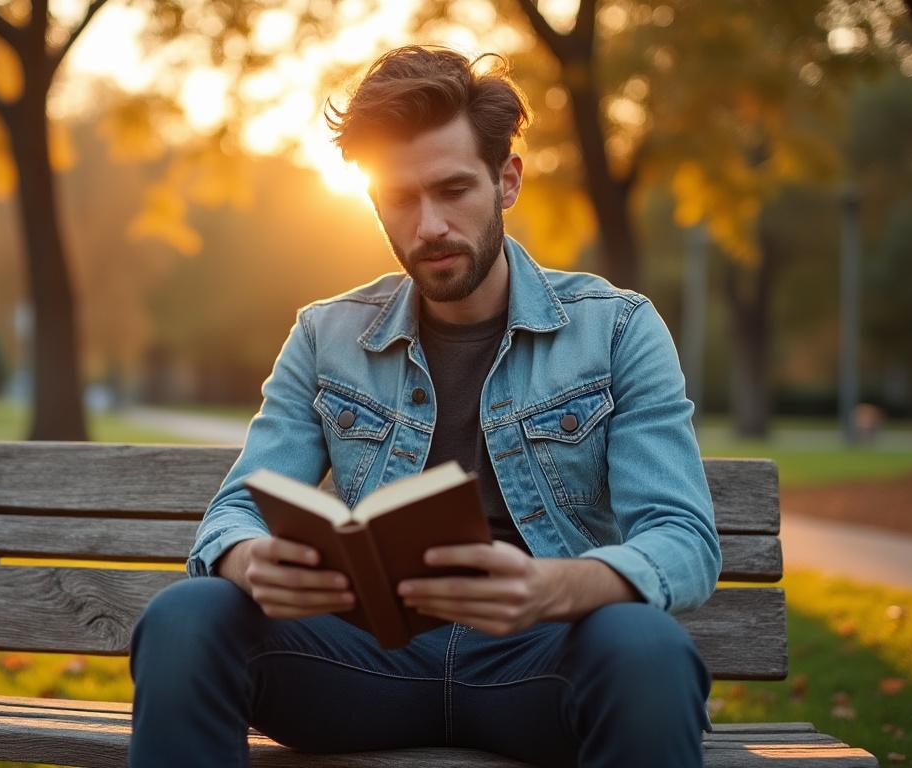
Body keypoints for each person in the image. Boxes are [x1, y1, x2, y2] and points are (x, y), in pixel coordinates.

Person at [129, 45, 720, 768]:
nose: (428, 225)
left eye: (452, 189)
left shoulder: (617, 327)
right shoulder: (325, 334)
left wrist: (553, 588)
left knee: (646, 645)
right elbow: (230, 515)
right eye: (401, 200)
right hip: (363, 665)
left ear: (507, 180)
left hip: (539, 664)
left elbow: (683, 538)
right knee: (187, 616)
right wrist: (252, 561)